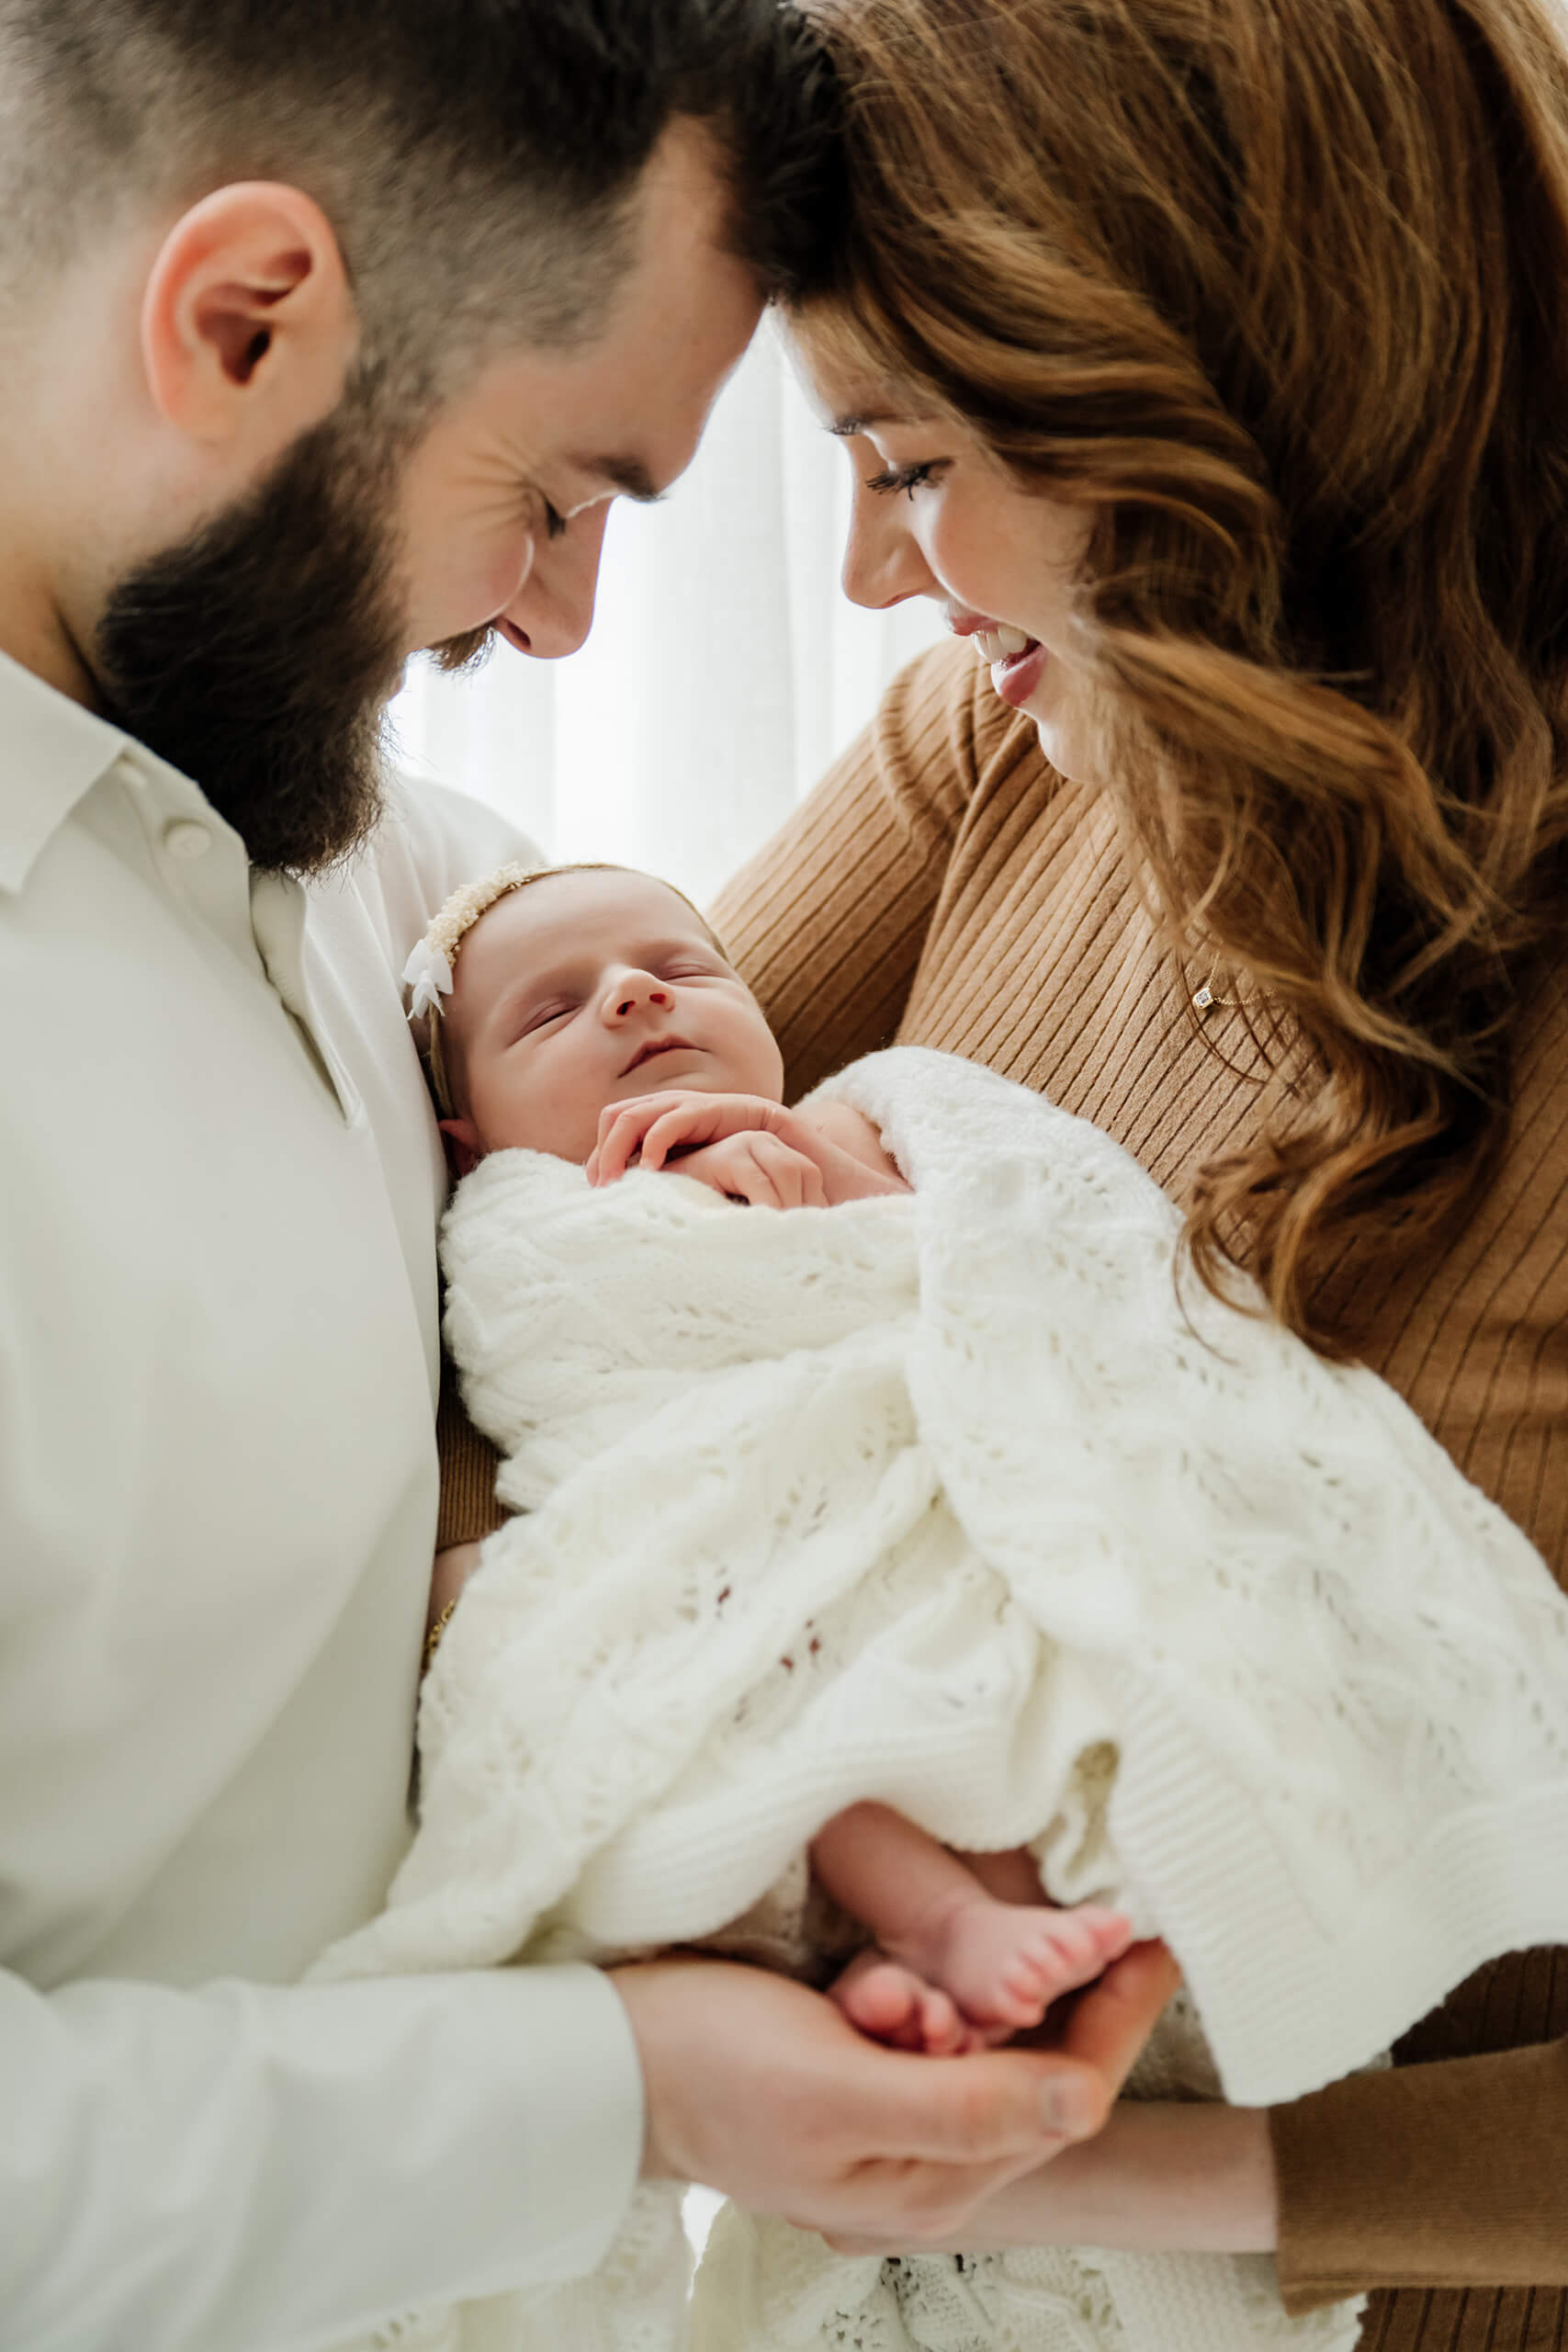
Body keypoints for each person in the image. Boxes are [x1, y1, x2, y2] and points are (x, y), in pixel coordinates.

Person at [0, 6, 1178, 2348]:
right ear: (242, 322)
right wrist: (613, 2086)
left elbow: (674, 1311)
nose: (554, 627)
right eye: (558, 498)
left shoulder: (398, 866)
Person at [709, 0, 1565, 2343]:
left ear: (1211, 399)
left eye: (902, 460)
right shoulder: (998, 743)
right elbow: (577, 1208)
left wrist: (1091, 2161)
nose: (880, 575)